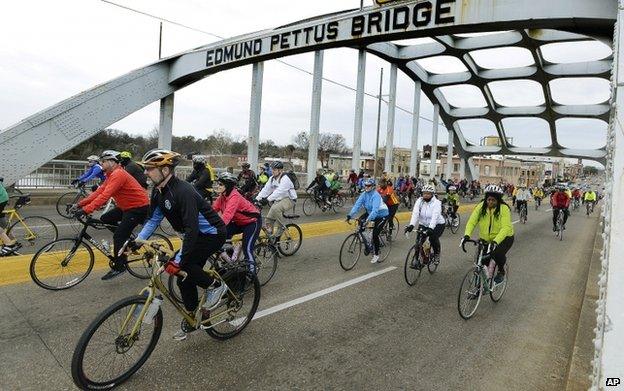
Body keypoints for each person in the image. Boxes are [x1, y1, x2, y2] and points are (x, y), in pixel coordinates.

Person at [135, 149, 227, 341]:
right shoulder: (158, 191)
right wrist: (137, 241)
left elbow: (192, 229)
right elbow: (153, 220)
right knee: (182, 277)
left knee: (183, 265)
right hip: (193, 235)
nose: (146, 173)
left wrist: (180, 259)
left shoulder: (183, 191)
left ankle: (216, 286)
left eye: (150, 169)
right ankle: (193, 317)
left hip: (211, 234)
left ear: (166, 170)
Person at [75, 150, 150, 280]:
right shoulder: (110, 175)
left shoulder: (118, 174)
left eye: (103, 161)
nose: (101, 164)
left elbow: (105, 196)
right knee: (105, 218)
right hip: (126, 206)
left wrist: (87, 210)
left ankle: (120, 266)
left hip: (138, 207)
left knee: (118, 236)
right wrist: (80, 205)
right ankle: (128, 241)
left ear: (111, 162)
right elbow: (99, 192)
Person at [461, 184, 514, 285]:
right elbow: (472, 221)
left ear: (498, 200)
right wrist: (467, 235)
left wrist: (496, 241)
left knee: (497, 253)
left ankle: (501, 271)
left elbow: (505, 227)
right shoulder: (481, 207)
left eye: (493, 200)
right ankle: (480, 287)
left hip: (505, 237)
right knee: (482, 261)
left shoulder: (504, 209)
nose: (490, 202)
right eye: (488, 199)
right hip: (486, 239)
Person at [212, 172, 262, 273]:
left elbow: (227, 216)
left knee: (247, 248)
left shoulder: (234, 197)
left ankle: (252, 276)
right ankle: (231, 259)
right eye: (218, 183)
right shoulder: (222, 196)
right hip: (239, 222)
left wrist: (214, 228)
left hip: (252, 222)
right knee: (221, 235)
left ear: (228, 186)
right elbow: (212, 210)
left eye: (221, 184)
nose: (218, 186)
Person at [347, 178, 389, 264]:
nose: (366, 187)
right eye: (365, 185)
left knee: (375, 234)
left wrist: (368, 220)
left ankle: (376, 254)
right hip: (370, 213)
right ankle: (366, 241)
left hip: (381, 215)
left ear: (373, 186)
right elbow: (357, 205)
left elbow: (375, 210)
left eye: (368, 186)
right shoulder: (364, 194)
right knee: (360, 221)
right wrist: (349, 215)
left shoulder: (376, 195)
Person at [404, 184, 445, 265]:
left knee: (433, 238)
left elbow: (435, 216)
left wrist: (431, 228)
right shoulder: (419, 201)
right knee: (419, 242)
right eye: (424, 193)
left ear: (432, 194)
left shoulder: (437, 203)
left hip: (437, 224)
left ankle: (436, 254)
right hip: (423, 224)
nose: (425, 195)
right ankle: (419, 258)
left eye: (428, 193)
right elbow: (415, 213)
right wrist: (411, 225)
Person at [256, 161, 297, 235]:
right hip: (278, 200)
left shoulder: (285, 179)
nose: (272, 171)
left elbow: (279, 191)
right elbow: (266, 189)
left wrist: (267, 199)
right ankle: (271, 239)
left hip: (290, 199)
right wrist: (257, 198)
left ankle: (281, 228)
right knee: (268, 220)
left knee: (276, 208)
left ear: (280, 170)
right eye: (272, 169)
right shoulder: (272, 178)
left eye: (274, 170)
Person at [0, 178, 21, 256]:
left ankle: (9, 244)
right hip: (2, 197)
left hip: (1, 198)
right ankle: (12, 240)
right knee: (1, 220)